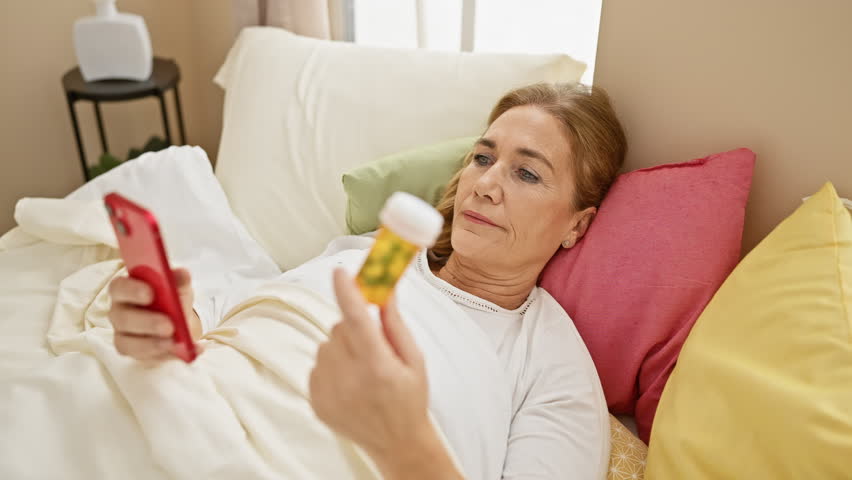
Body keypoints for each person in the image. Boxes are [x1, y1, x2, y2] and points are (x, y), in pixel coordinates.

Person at [107, 82, 627, 479]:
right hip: (170, 406)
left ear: (576, 224)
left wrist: (405, 440)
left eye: (527, 173)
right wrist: (169, 325)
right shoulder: (381, 256)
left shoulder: (552, 365)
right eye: (483, 158)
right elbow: (242, 321)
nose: (485, 185)